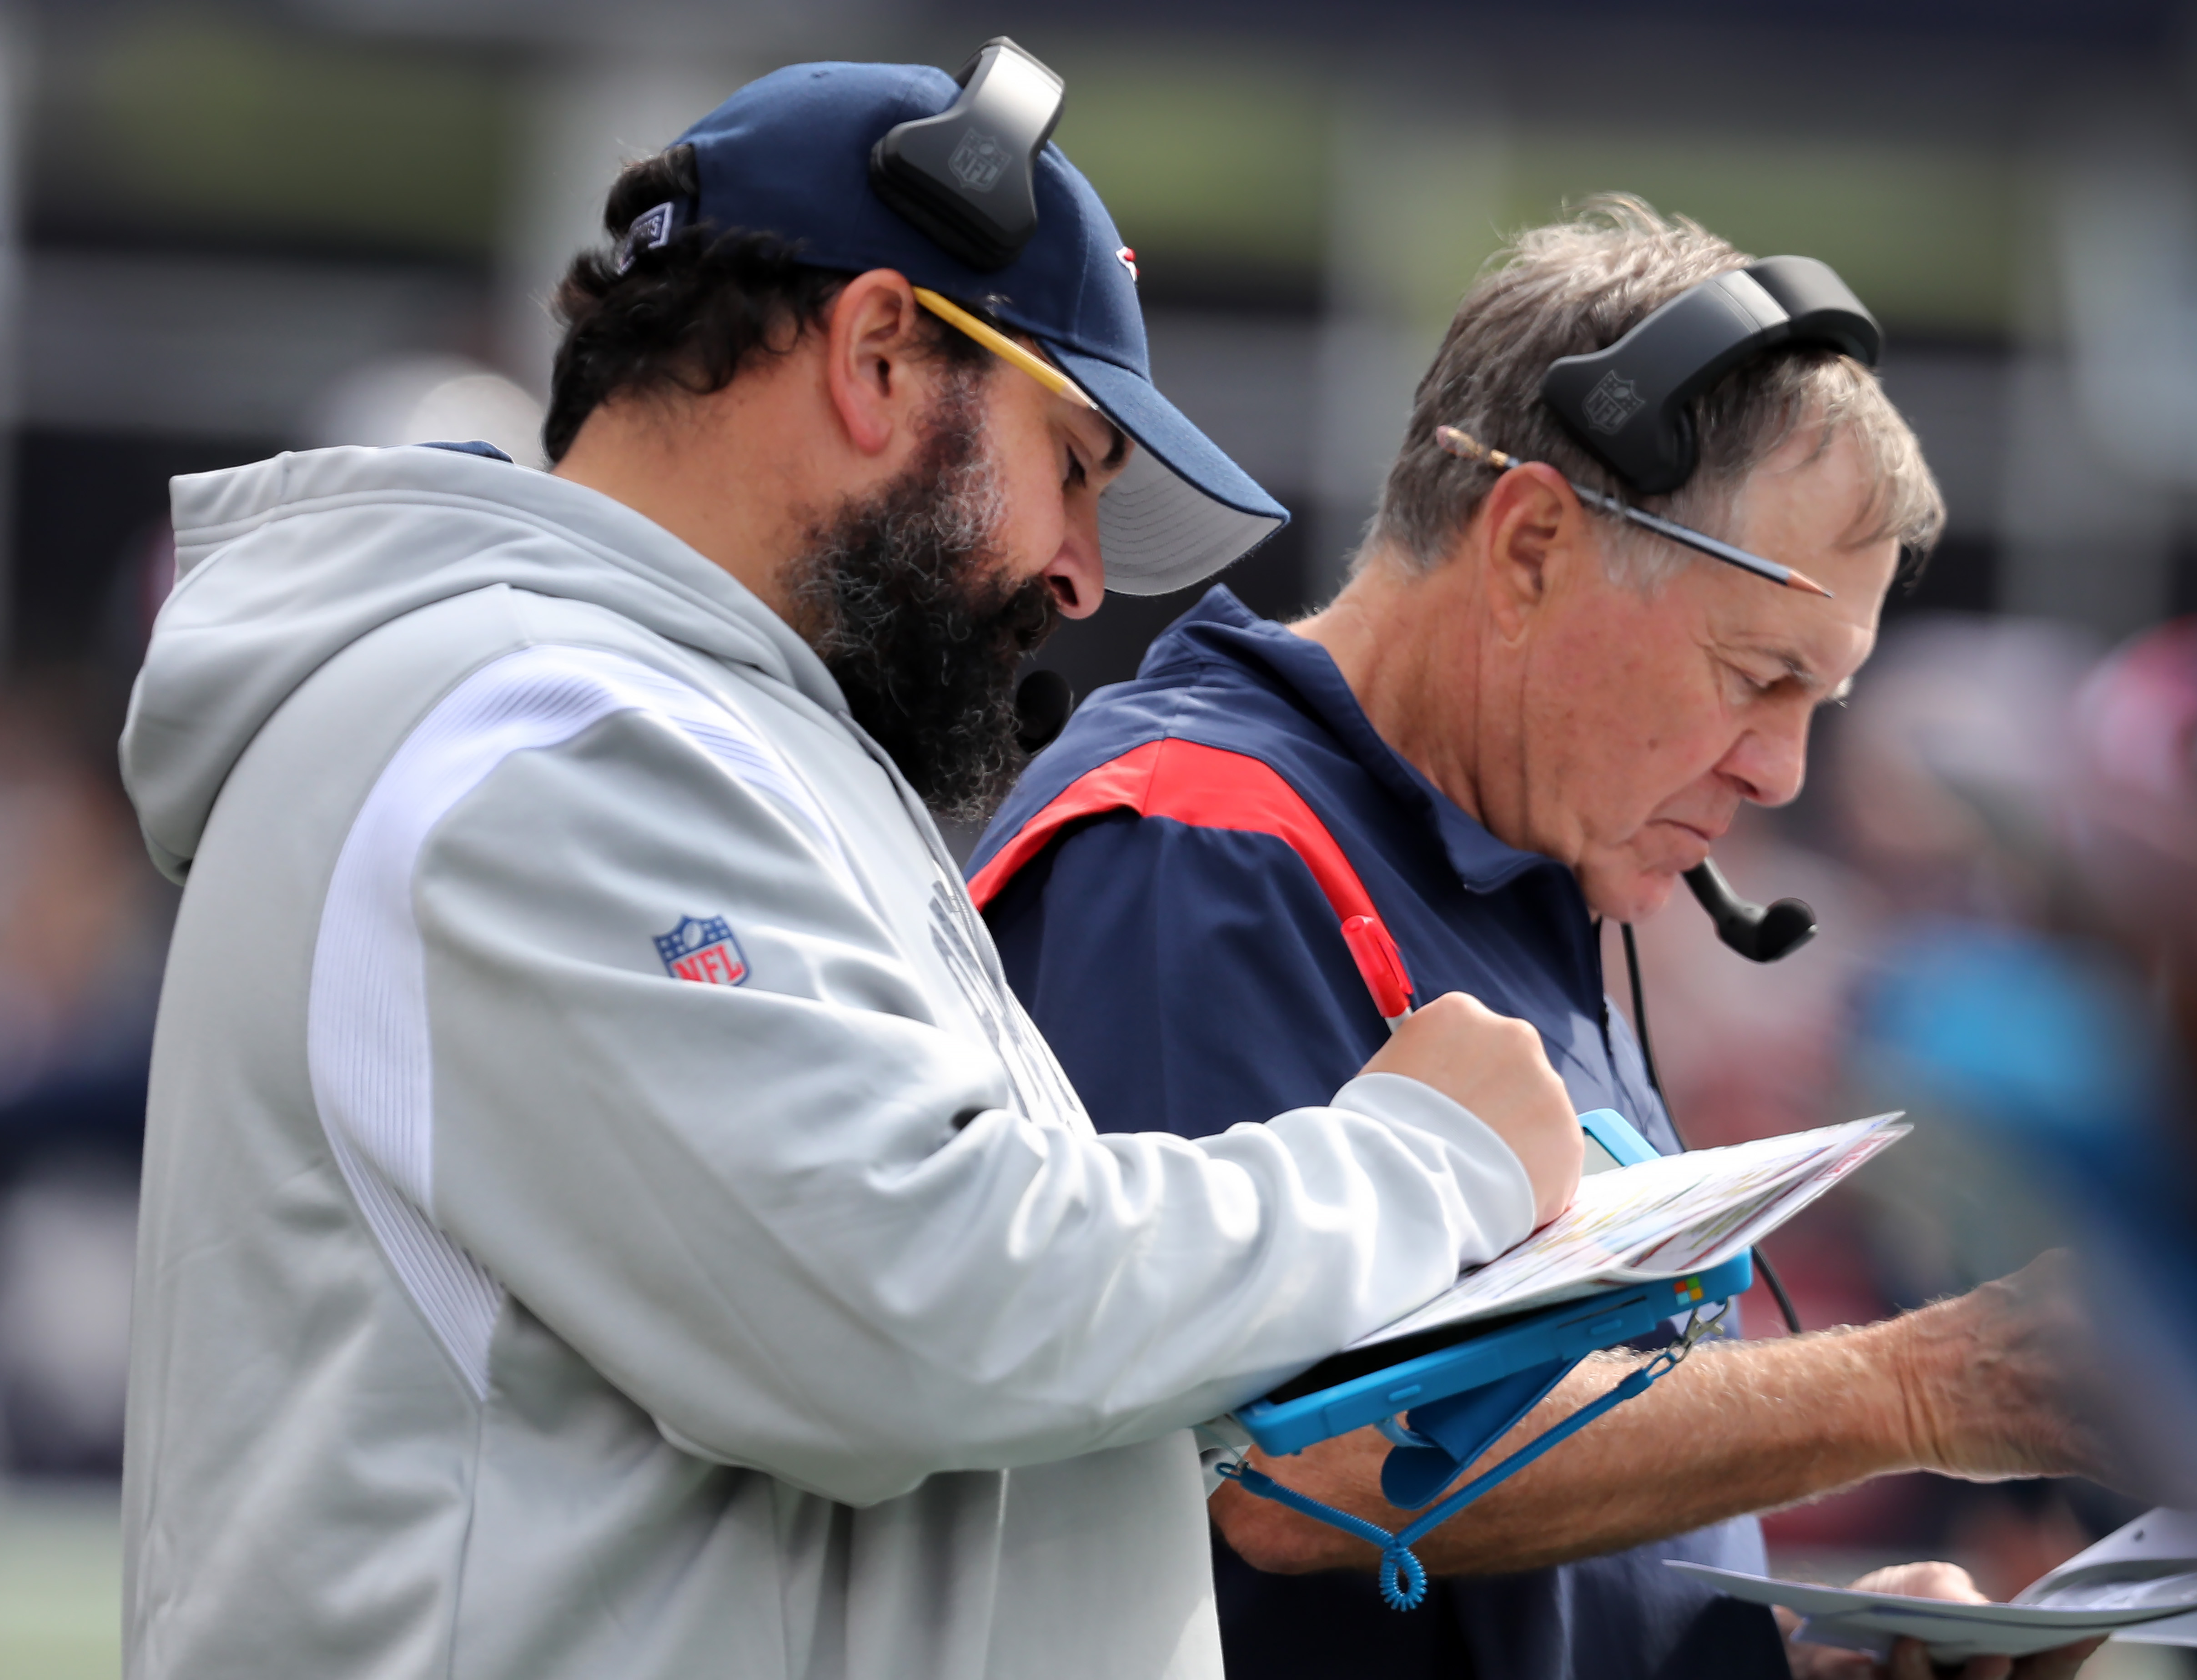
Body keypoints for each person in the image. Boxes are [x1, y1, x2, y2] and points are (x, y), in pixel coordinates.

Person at [115, 57, 1590, 1680]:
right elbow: (917, 1307)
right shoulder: (536, 736)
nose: (1085, 576)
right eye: (1076, 464)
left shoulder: (675, 726)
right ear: (880, 355)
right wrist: (1422, 1163)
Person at [974, 197, 2120, 1680]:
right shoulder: (1194, 848)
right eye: (1757, 677)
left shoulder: (1527, 871)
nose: (1780, 772)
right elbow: (1293, 1469)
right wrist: (1918, 1390)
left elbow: (1510, 1544)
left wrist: (1771, 1658)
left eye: (1815, 707)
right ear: (1527, 548)